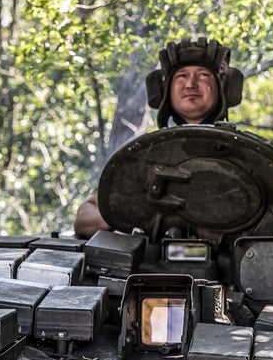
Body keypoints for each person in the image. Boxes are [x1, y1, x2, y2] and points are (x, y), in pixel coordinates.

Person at [73, 36, 245, 238]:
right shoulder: (143, 156)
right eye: (181, 76)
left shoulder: (246, 154)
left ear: (221, 88)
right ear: (166, 90)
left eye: (203, 75)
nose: (191, 84)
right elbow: (85, 218)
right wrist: (135, 214)